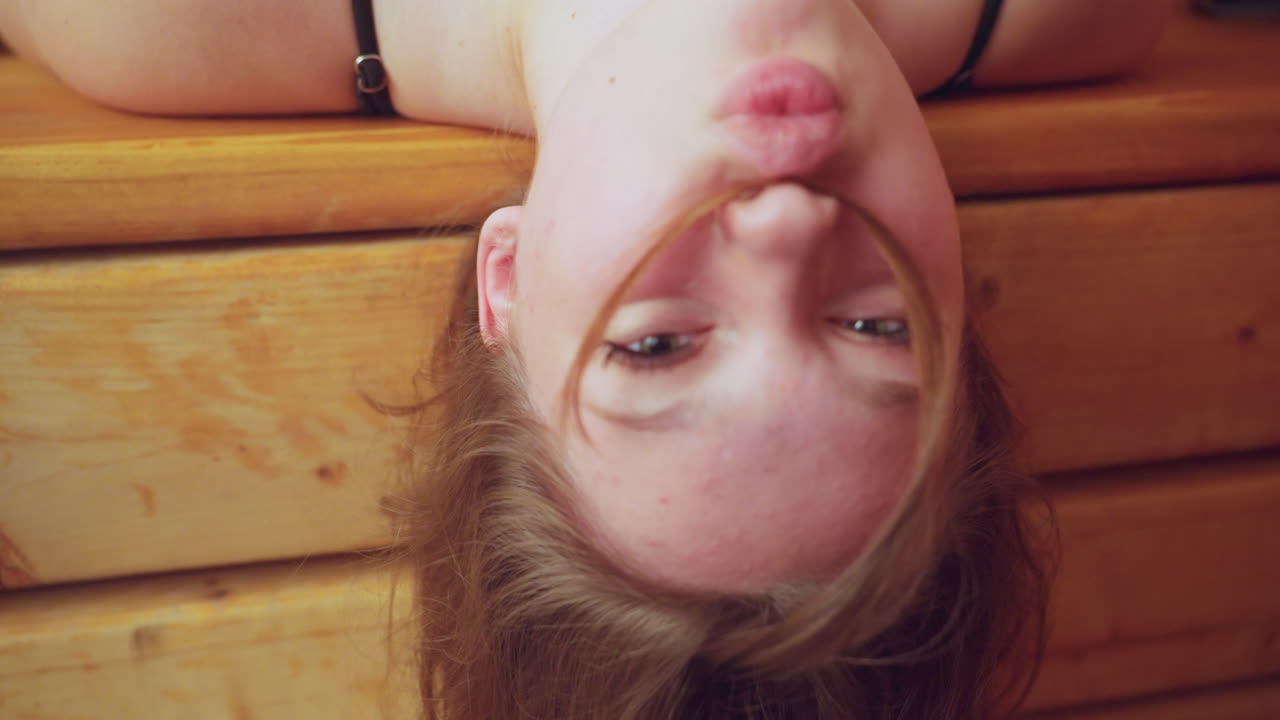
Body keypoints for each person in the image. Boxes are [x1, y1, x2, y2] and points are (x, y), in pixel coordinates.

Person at [0, 1, 1175, 717]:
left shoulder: (162, 18)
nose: (788, 227)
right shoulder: (1074, 13)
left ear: (504, 280)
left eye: (657, 345)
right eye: (878, 328)